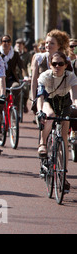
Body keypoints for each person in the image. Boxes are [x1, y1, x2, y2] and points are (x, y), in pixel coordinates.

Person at [36, 51, 77, 192]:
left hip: (64, 103)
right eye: (54, 64)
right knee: (50, 115)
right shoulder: (45, 76)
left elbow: (75, 96)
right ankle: (42, 143)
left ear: (66, 65)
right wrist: (40, 110)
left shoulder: (70, 76)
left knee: (64, 138)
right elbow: (40, 96)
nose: (57, 66)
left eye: (61, 64)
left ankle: (63, 176)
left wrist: (75, 106)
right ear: (50, 64)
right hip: (49, 101)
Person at [31, 29, 71, 114]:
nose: (48, 45)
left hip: (60, 96)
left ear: (59, 45)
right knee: (47, 118)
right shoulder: (38, 58)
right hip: (43, 95)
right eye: (46, 43)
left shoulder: (66, 60)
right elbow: (34, 80)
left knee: (64, 121)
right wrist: (34, 98)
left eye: (52, 43)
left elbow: (70, 79)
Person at [0, 34, 28, 110]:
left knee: (16, 87)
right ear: (1, 43)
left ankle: (15, 110)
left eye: (8, 41)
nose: (6, 43)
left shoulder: (15, 54)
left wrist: (26, 76)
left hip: (11, 79)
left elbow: (21, 67)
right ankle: (0, 113)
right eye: (4, 41)